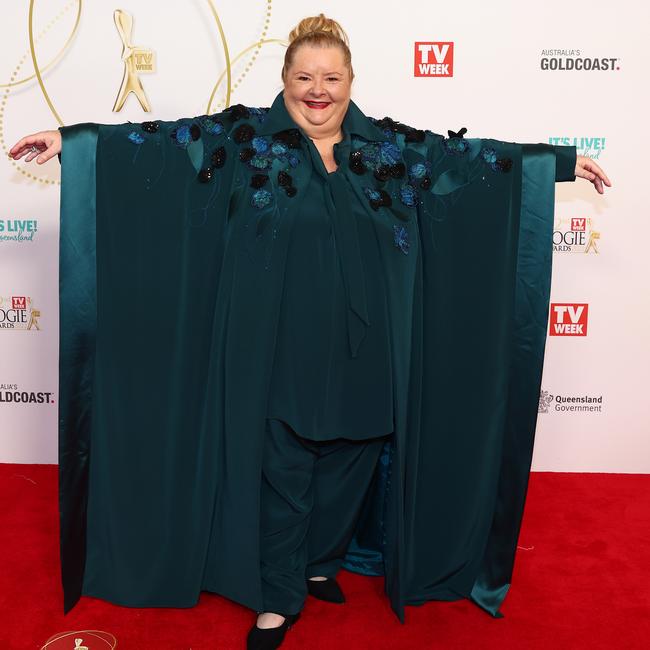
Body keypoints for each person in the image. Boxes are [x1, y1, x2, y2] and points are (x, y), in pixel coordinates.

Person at [9, 13, 611, 650]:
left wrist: (560, 164)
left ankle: (320, 559)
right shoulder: (242, 138)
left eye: (331, 77)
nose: (317, 90)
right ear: (285, 80)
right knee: (283, 466)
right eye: (304, 77)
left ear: (351, 81)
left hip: (369, 347)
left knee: (351, 458)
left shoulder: (386, 147)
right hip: (278, 347)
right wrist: (72, 142)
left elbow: (469, 160)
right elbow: (157, 142)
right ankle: (277, 598)